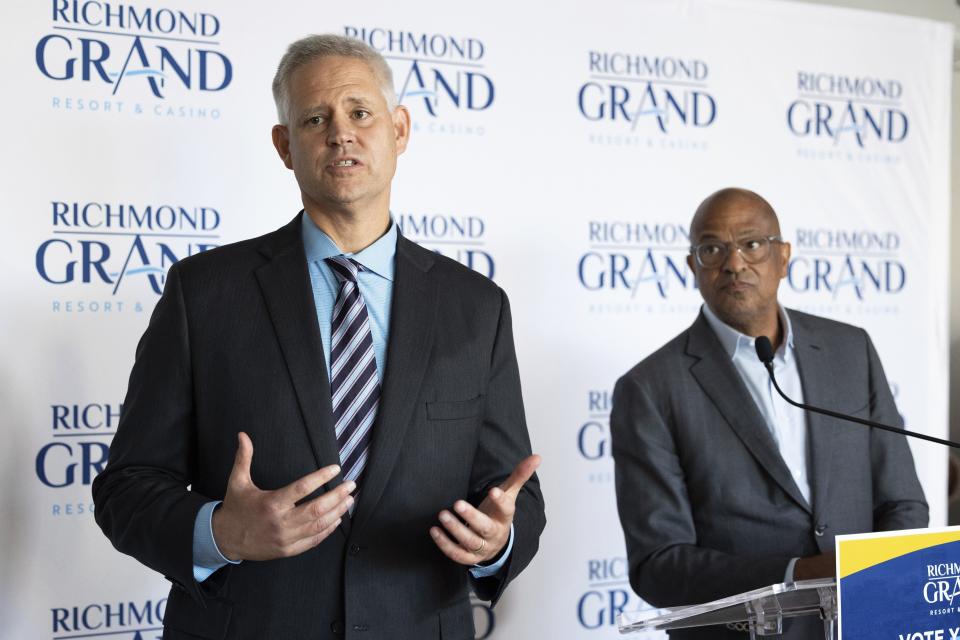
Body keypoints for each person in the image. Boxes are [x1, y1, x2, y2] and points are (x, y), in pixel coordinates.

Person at [92, 34, 545, 640]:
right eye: (314, 118)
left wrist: (496, 540)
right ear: (285, 146)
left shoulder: (477, 308)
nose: (341, 133)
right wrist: (222, 531)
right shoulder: (203, 294)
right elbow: (127, 487)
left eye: (360, 112)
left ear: (399, 130)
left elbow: (513, 490)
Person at [610, 187, 927, 638]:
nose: (734, 263)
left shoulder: (850, 350)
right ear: (692, 267)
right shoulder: (649, 388)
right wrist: (798, 573)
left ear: (783, 257)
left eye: (752, 244)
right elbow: (659, 566)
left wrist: (875, 579)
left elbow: (903, 503)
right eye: (712, 248)